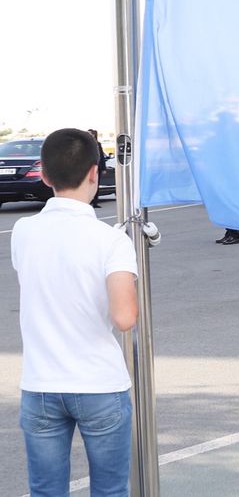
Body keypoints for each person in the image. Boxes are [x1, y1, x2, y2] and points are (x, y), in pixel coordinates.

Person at [11, 128, 138, 496]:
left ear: (45, 175)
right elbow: (125, 317)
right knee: (110, 490)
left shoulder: (23, 231)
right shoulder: (111, 239)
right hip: (99, 384)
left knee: (46, 491)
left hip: (41, 385)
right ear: (95, 172)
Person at [86, 129, 109, 208]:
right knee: (87, 185)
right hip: (88, 167)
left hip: (97, 167)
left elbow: (102, 156)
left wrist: (103, 168)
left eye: (91, 134)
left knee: (96, 185)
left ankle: (95, 202)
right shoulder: (85, 144)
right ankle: (87, 201)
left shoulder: (97, 144)